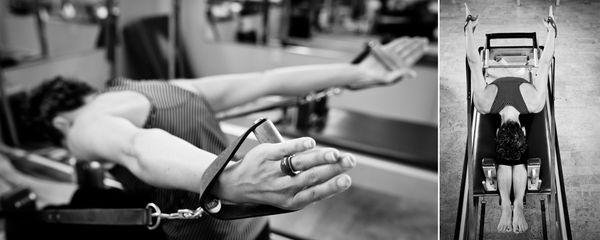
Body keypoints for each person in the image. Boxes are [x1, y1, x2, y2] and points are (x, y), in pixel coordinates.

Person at [25, 37, 426, 240]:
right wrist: (357, 74)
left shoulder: (82, 126)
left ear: (59, 123)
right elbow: (263, 82)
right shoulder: (150, 87)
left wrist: (222, 177)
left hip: (210, 233)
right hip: (252, 221)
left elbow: (136, 149)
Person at [464, 4, 556, 234]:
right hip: (516, 72)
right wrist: (552, 30)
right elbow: (543, 64)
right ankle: (514, 204)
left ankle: (509, 204)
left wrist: (469, 29)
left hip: (498, 71)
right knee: (511, 159)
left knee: (508, 160)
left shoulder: (531, 104)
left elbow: (475, 63)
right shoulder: (488, 105)